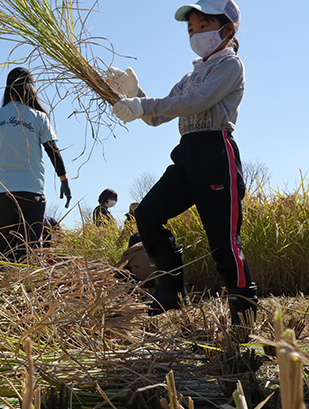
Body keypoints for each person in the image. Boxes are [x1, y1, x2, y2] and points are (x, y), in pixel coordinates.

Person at [111, 0, 257, 325]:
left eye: (202, 26)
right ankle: (171, 293)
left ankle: (244, 318)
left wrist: (142, 104)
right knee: (147, 214)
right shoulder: (191, 74)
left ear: (227, 28)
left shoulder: (231, 66)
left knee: (223, 244)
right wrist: (136, 94)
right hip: (187, 155)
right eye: (191, 29)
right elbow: (160, 114)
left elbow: (195, 103)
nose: (195, 34)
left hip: (216, 155)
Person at [0, 67, 72, 262]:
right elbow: (52, 150)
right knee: (30, 251)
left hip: (2, 193)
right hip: (31, 191)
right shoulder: (38, 117)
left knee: (5, 250)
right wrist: (64, 180)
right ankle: (29, 289)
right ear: (30, 87)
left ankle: (6, 289)